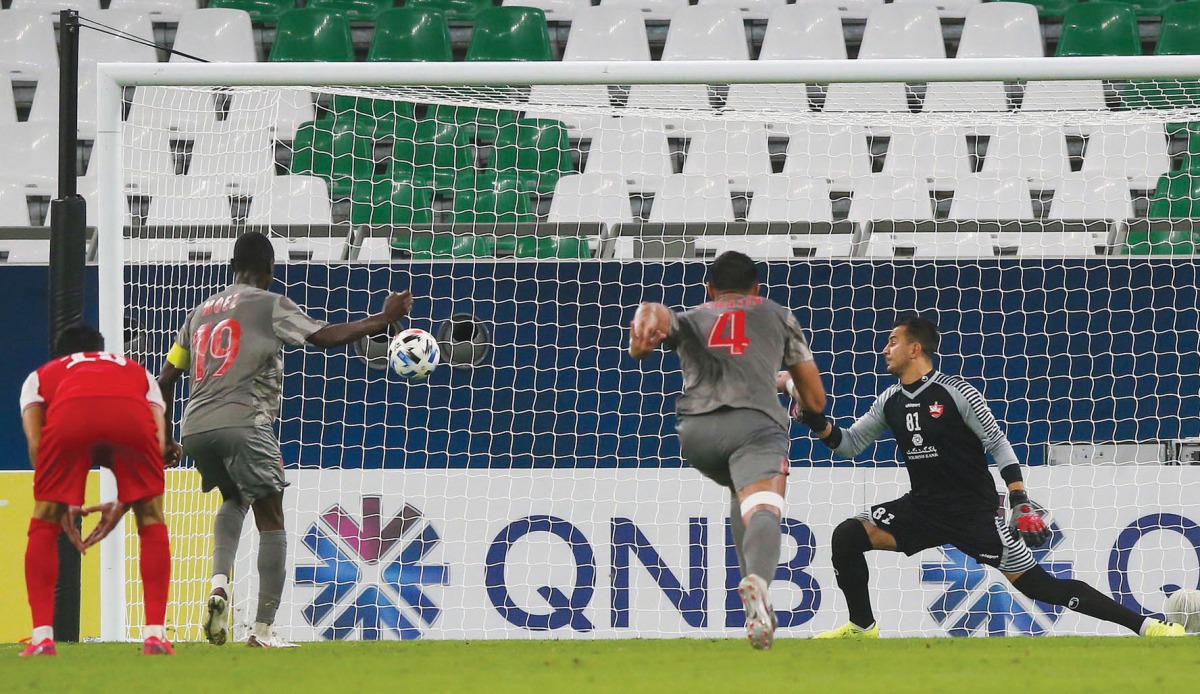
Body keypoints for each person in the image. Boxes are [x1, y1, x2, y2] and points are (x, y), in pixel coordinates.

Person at [791, 315, 1185, 638]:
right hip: (922, 508)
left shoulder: (956, 391)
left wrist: (1019, 501)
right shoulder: (889, 400)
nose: (885, 349)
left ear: (915, 349)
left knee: (1040, 586)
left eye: (892, 341)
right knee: (847, 535)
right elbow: (849, 444)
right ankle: (863, 627)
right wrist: (814, 420)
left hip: (972, 514)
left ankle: (1147, 627)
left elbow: (998, 444)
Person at [157, 231, 413, 648]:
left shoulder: (198, 313)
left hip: (196, 427)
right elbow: (325, 337)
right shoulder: (269, 303)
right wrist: (382, 320)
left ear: (232, 267)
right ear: (270, 271)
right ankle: (261, 630)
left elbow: (166, 378)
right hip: (245, 423)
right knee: (271, 517)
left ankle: (219, 584)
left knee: (233, 498)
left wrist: (166, 439)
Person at [628, 250, 826, 650]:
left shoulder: (694, 316)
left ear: (709, 289)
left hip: (696, 435)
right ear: (756, 288)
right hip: (755, 428)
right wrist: (793, 388)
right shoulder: (777, 315)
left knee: (743, 493)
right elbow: (817, 400)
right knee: (764, 507)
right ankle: (758, 583)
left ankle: (757, 603)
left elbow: (659, 316)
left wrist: (648, 316)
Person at [19, 323, 174, 656]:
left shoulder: (42, 375)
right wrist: (128, 501)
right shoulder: (137, 371)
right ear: (104, 350)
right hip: (131, 421)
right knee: (151, 515)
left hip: (70, 422)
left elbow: (37, 444)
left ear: (60, 355)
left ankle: (42, 637)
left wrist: (56, 499)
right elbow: (159, 442)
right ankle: (155, 634)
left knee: (43, 521)